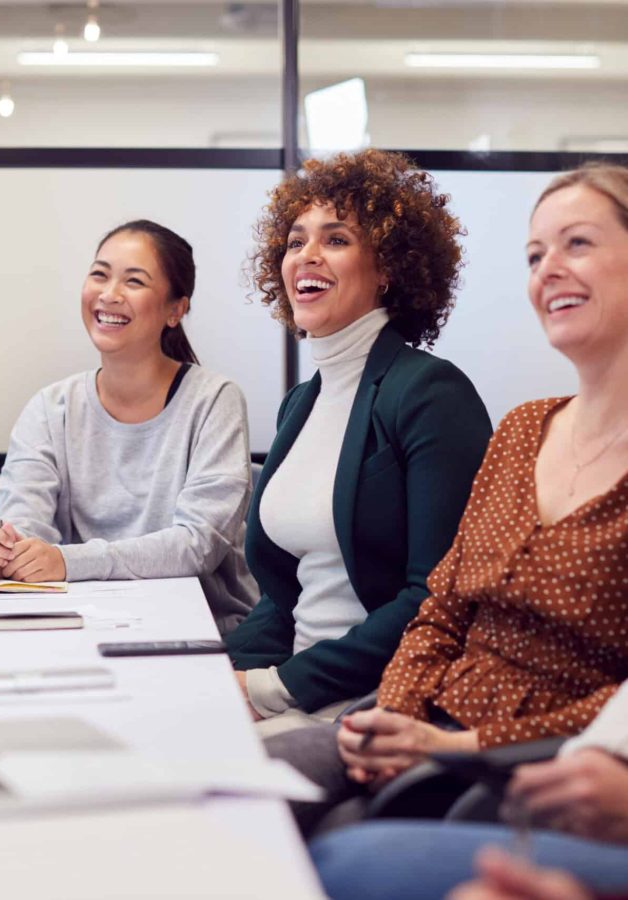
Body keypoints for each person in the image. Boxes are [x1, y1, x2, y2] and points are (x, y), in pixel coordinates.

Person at [266, 162, 628, 823]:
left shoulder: (428, 392)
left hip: (528, 761)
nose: (547, 269)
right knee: (232, 792)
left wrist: (454, 745)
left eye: (576, 243)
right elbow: (440, 609)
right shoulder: (523, 430)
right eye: (534, 254)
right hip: (417, 717)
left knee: (323, 847)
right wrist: (396, 716)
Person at [225, 149, 492, 736]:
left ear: (390, 267)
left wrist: (275, 687)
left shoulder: (429, 393)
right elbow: (285, 595)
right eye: (295, 242)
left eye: (336, 238)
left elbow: (435, 598)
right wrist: (217, 668)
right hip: (295, 687)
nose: (307, 256)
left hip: (377, 702)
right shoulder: (303, 401)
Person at [0, 219, 256, 634]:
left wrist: (65, 561)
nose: (109, 294)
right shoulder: (50, 408)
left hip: (202, 632)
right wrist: (1, 551)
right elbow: (24, 524)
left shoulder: (213, 400)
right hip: (78, 625)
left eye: (134, 281)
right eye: (99, 274)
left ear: (177, 309)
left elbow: (197, 545)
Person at [310, 680, 628, 900]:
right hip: (434, 710)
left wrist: (454, 745)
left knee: (347, 861)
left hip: (508, 735)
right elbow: (435, 619)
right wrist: (394, 716)